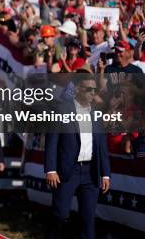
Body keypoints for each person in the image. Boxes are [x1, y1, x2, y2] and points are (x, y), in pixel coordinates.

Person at [45, 76, 111, 239]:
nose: (92, 93)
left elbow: (102, 146)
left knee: (88, 219)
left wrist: (105, 173)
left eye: (94, 90)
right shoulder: (61, 110)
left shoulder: (96, 114)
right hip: (67, 171)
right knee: (60, 214)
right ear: (77, 89)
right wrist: (51, 169)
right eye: (88, 89)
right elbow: (52, 141)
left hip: (90, 173)